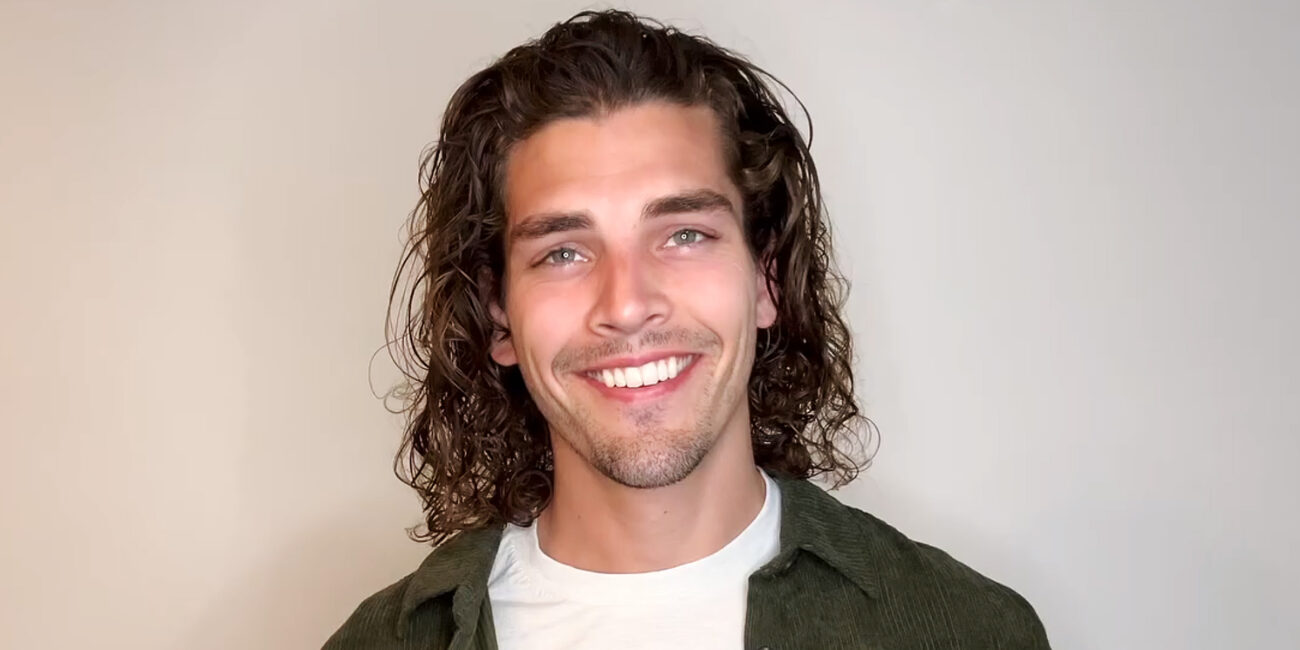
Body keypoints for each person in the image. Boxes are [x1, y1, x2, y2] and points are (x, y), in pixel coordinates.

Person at [326, 9, 1049, 649]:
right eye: (564, 252)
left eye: (684, 235)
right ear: (499, 317)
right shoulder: (381, 643)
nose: (627, 304)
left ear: (765, 279)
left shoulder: (968, 631)